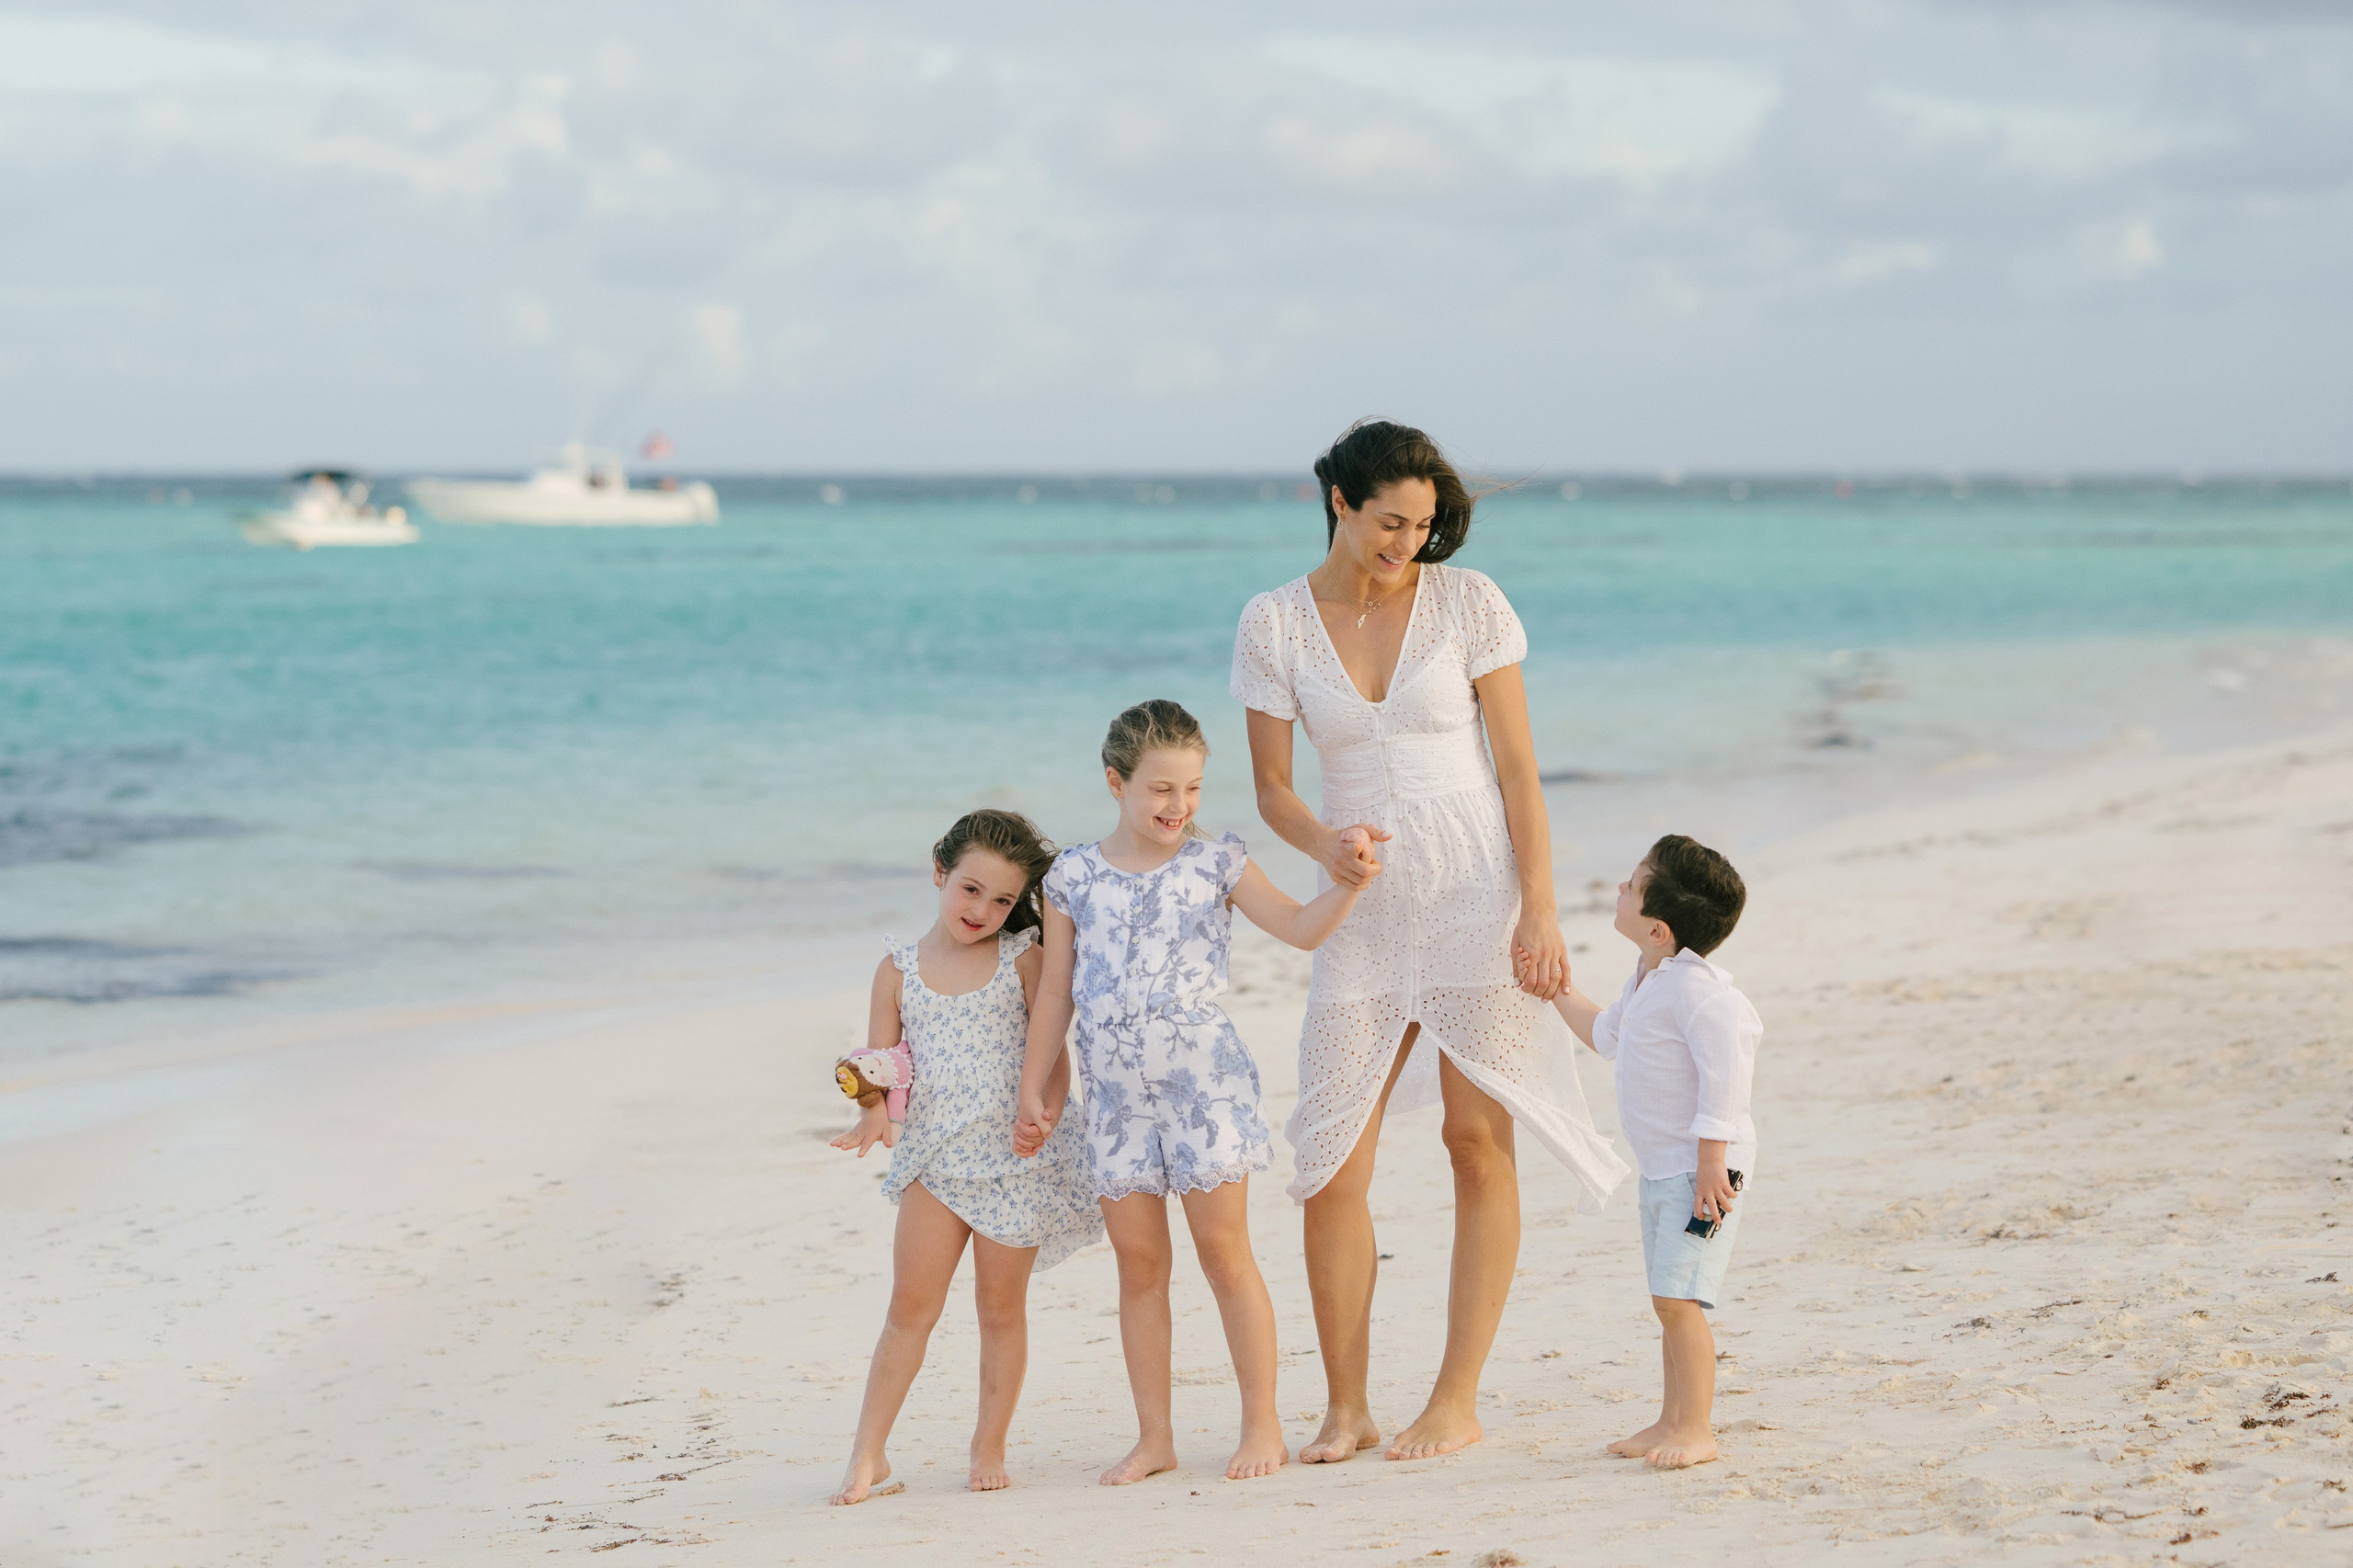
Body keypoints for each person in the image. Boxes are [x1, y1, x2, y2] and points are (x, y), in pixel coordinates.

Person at [1230, 418, 1629, 1463]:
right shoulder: (1273, 623)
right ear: (1339, 504)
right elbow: (1272, 788)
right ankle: (1347, 1405)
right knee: (1328, 1160)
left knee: (1474, 1142)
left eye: (1421, 523)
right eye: (1389, 522)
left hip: (1472, 890)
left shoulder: (1468, 602)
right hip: (1358, 909)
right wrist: (1326, 842)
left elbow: (1519, 773)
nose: (1408, 541)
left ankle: (1455, 1397)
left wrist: (1538, 905)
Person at [1012, 699, 1370, 1485]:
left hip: (1204, 1090)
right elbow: (1055, 995)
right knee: (1139, 1266)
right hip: (1113, 1101)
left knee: (1223, 1255)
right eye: (1162, 790)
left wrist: (1348, 880)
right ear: (1116, 782)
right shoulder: (1072, 877)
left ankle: (1261, 1424)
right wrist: (1033, 1089)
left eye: (1194, 790)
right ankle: (1155, 1439)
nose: (1180, 808)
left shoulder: (1217, 863)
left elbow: (1304, 928)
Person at [827, 810, 1101, 1506]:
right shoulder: (897, 970)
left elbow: (1053, 1052)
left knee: (1000, 1310)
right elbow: (884, 1064)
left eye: (1004, 900)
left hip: (1013, 1162)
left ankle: (989, 1443)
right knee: (909, 1308)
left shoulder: (1021, 958)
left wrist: (1046, 1112)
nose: (983, 909)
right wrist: (871, 1116)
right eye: (971, 889)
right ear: (940, 872)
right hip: (934, 1163)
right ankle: (868, 1453)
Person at [1551, 835, 1759, 1471]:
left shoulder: (1701, 993)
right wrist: (1553, 986)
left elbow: (1728, 1074)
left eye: (1633, 885)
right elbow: (1605, 1035)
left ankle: (1696, 1427)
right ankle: (1670, 1418)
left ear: (1659, 928)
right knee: (1667, 1296)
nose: (1620, 888)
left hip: (1705, 1173)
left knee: (1681, 1300)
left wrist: (1709, 1164)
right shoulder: (1650, 978)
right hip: (1666, 1167)